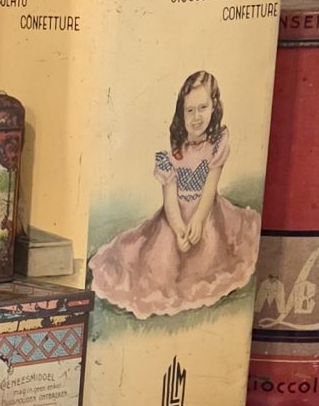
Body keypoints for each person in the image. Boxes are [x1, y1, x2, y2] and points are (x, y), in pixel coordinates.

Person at [89, 68, 260, 318]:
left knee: (208, 252)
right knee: (161, 263)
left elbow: (210, 189)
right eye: (190, 110)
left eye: (203, 108)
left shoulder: (216, 146)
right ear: (181, 113)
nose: (197, 117)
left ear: (214, 107)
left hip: (207, 213)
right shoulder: (172, 157)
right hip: (174, 218)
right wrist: (180, 229)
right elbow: (169, 200)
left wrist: (198, 220)